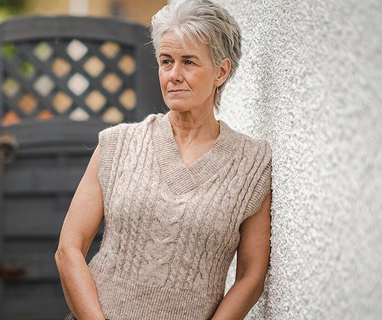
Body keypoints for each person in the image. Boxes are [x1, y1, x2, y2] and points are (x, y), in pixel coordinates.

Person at [54, 0, 272, 319]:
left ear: (221, 71)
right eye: (166, 61)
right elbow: (69, 250)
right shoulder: (117, 144)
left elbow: (251, 277)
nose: (174, 75)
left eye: (189, 62)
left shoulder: (252, 164)